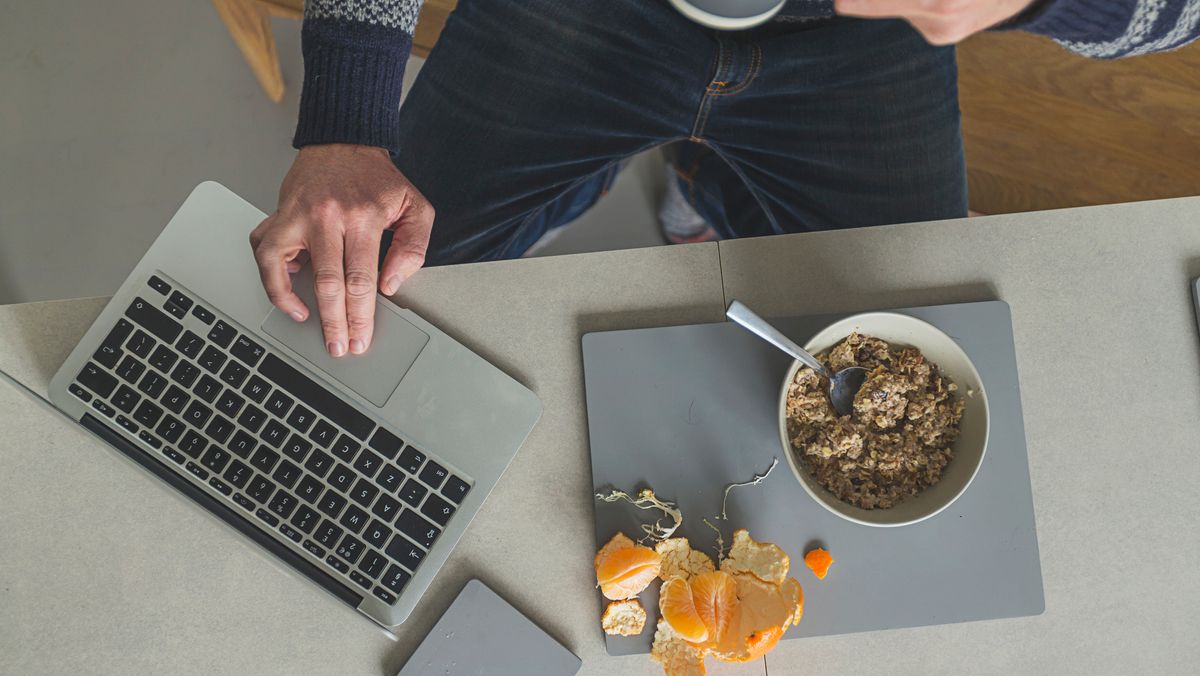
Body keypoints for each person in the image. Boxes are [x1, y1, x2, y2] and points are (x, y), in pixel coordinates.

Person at [249, 0, 1200, 358]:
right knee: (373, 301)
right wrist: (347, 109)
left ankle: (697, 187)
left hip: (858, 36)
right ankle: (638, 170)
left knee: (909, 360)